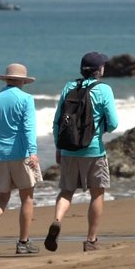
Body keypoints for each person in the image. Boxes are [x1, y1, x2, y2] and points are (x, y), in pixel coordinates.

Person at [44, 52, 118, 252]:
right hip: (93, 150)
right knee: (97, 193)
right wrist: (99, 128)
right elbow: (113, 124)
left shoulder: (69, 87)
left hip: (68, 149)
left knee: (66, 191)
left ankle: (57, 220)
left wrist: (59, 146)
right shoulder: (104, 89)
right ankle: (91, 240)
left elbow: (58, 120)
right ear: (99, 70)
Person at [0, 63, 41, 255]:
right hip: (20, 153)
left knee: (2, 197)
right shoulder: (26, 99)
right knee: (27, 198)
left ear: (6, 79)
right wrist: (33, 152)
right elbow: (29, 128)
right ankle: (23, 242)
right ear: (23, 80)